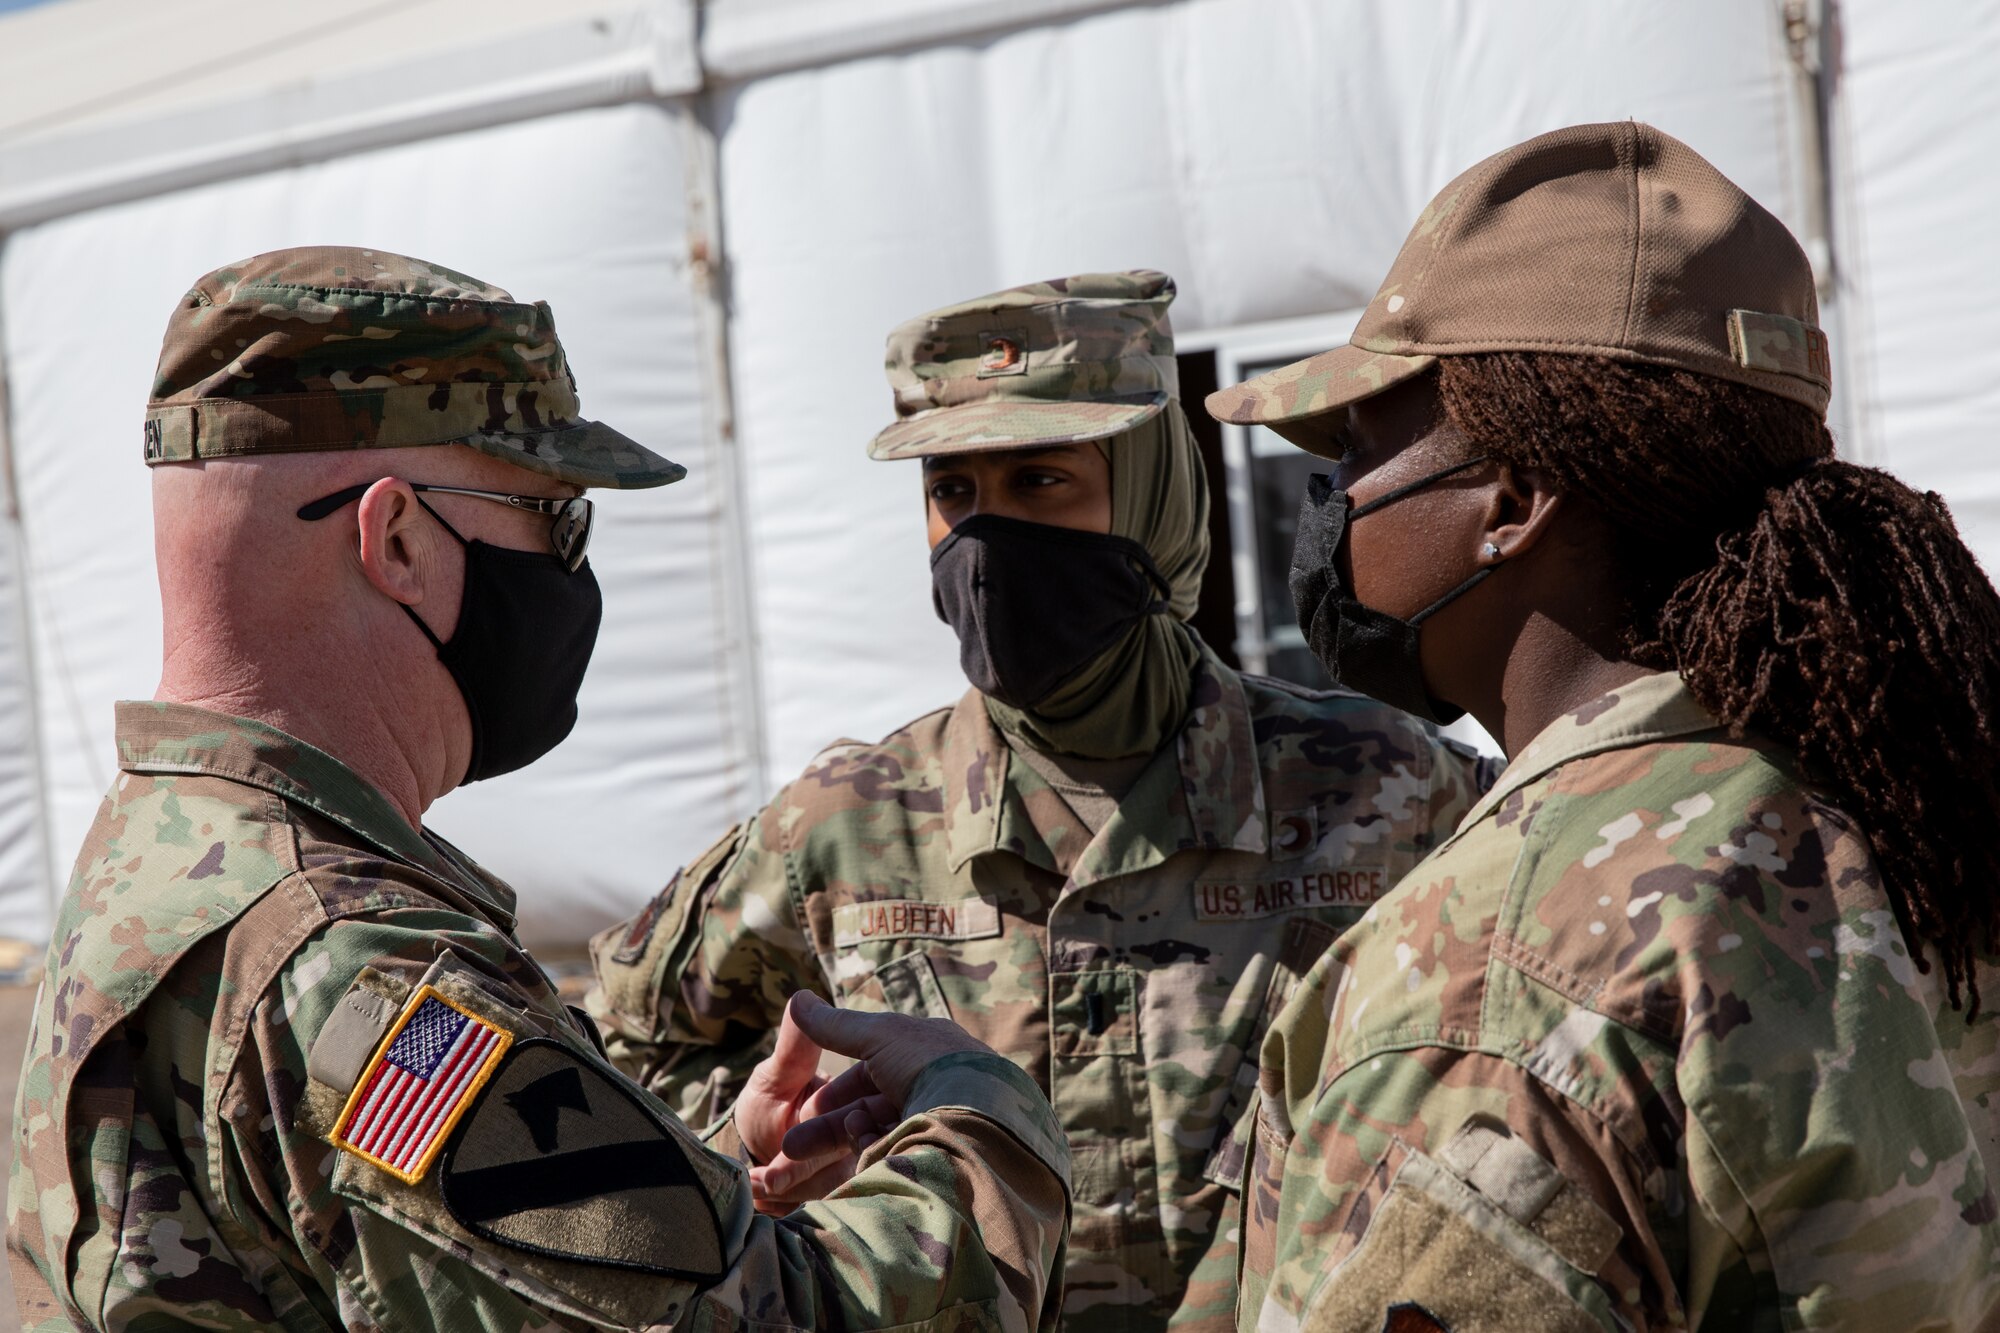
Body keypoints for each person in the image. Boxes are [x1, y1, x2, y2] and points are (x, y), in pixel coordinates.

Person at [6, 247, 1071, 1333]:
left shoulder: (156, 850)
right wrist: (975, 1110)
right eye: (553, 518)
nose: (570, 572)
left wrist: (689, 1184)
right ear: (399, 540)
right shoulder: (366, 974)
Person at [587, 271, 1492, 1333]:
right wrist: (758, 1143)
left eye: (1039, 480)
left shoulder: (1390, 786)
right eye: (952, 494)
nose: (986, 544)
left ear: (1153, 492)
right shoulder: (844, 820)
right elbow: (621, 1047)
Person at [1205, 122, 2000, 1331]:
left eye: (1360, 446)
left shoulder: (1495, 957)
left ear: (1510, 504)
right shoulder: (1903, 809)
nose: (1335, 506)